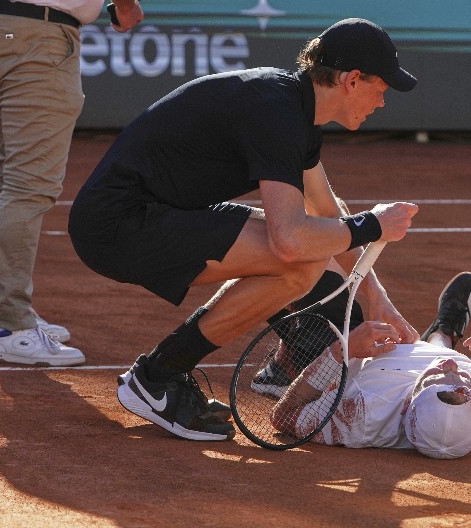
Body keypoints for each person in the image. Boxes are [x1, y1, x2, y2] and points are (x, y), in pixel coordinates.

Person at [68, 18, 420, 441]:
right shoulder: (277, 111)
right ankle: (157, 377)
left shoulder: (292, 108)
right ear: (352, 79)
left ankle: (162, 373)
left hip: (145, 214)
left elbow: (328, 211)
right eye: (381, 88)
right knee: (299, 261)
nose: (382, 102)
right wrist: (374, 224)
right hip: (117, 224)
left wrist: (377, 299)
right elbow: (291, 241)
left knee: (306, 255)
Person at [0, 0, 144, 366]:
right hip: (36, 37)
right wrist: (127, 7)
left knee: (9, 175)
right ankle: (9, 326)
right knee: (26, 185)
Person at [271, 271, 471, 459]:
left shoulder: (360, 417)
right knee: (441, 351)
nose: (450, 365)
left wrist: (341, 351)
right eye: (461, 380)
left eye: (436, 377)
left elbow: (282, 416)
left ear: (407, 405)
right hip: (414, 350)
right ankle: (443, 332)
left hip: (359, 353)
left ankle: (280, 365)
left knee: (308, 270)